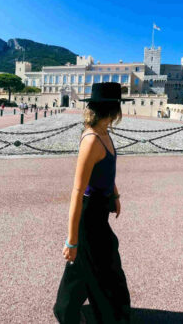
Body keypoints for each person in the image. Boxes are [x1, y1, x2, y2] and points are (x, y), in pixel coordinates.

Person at [53, 82, 132, 324]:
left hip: (99, 212)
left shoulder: (105, 132)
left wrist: (115, 195)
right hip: (88, 217)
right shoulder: (91, 140)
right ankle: (73, 314)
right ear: (113, 109)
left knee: (95, 268)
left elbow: (107, 171)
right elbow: (77, 193)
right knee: (90, 268)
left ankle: (83, 312)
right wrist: (71, 240)